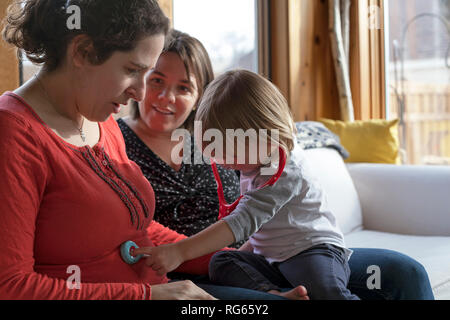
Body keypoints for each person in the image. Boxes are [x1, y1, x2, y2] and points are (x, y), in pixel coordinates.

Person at [120, 33, 435, 300]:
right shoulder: (118, 142)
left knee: (405, 273)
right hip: (193, 266)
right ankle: (271, 293)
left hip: (296, 251)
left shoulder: (240, 147)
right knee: (233, 269)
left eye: (184, 87)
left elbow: (247, 215)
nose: (166, 96)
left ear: (200, 96)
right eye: (156, 80)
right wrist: (184, 253)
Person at [0, 0, 261, 300]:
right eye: (132, 70)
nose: (140, 92)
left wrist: (240, 261)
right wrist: (149, 296)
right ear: (82, 52)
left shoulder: (100, 118)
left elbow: (137, 229)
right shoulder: (13, 134)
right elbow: (10, 287)